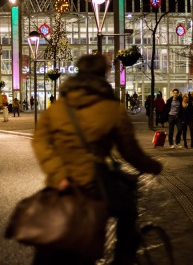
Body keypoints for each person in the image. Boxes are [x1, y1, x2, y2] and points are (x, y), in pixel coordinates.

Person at [32, 54, 162, 265]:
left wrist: (57, 173)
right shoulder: (113, 109)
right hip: (94, 181)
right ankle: (123, 259)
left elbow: (39, 141)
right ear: (104, 74)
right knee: (128, 211)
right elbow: (130, 151)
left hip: (62, 182)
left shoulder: (57, 108)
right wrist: (152, 165)